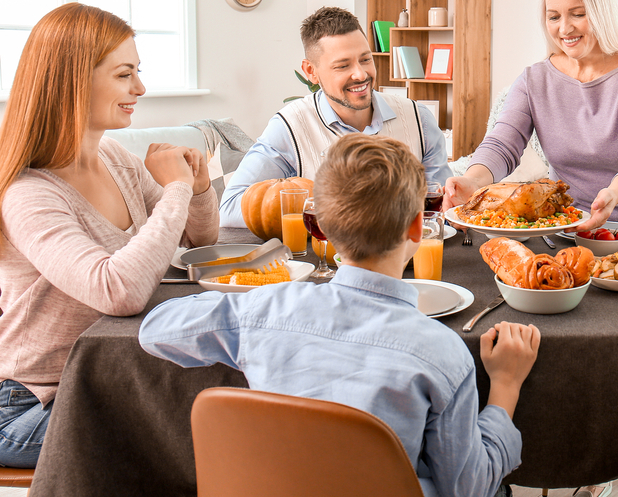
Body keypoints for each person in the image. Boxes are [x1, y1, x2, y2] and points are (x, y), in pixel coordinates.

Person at [140, 134, 541, 497]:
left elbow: (155, 330)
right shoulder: (443, 354)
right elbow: (469, 488)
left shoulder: (264, 310)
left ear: (322, 228)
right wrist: (505, 385)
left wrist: (251, 321)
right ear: (419, 227)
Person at [0, 3, 218, 468]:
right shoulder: (30, 194)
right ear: (74, 81)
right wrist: (176, 188)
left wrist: (196, 189)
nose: (140, 88)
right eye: (125, 74)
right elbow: (117, 291)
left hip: (114, 375)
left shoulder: (115, 158)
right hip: (38, 404)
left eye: (138, 72)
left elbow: (199, 241)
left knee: (228, 401)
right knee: (208, 437)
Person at [442, 0, 618, 232]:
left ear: (601, 12)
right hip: (572, 223)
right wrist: (474, 181)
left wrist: (613, 193)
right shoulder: (534, 79)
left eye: (577, 14)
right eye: (554, 17)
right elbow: (502, 144)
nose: (565, 28)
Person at [220, 6, 451, 228]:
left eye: (365, 59)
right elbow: (230, 209)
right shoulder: (289, 128)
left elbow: (441, 209)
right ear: (311, 72)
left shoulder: (419, 120)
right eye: (343, 66)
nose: (361, 74)